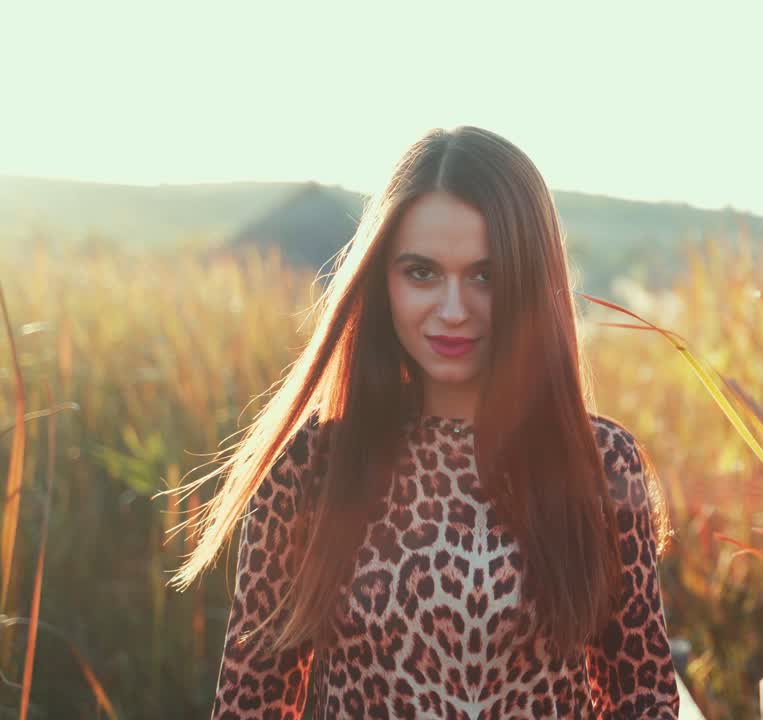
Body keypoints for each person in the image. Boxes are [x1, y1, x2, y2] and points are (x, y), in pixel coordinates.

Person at [165, 126, 681, 719]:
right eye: (421, 273)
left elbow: (644, 698)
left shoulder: (601, 462)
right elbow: (250, 704)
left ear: (530, 280)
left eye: (485, 275)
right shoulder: (311, 466)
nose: (453, 310)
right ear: (382, 279)